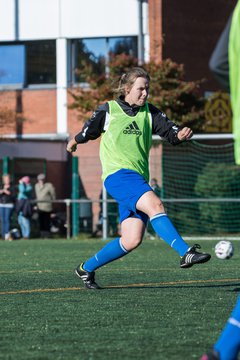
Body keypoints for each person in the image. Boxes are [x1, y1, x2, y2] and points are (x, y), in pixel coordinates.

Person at [67, 67, 211, 289]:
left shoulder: (150, 112)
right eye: (141, 89)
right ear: (126, 89)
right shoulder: (109, 110)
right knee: (156, 204)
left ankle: (85, 269)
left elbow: (170, 132)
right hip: (118, 176)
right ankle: (185, 252)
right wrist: (74, 140)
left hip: (138, 179)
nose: (145, 93)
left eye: (147, 89)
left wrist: (180, 134)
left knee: (131, 240)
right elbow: (89, 131)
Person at [35, 173, 56, 238]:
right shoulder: (36, 186)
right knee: (41, 222)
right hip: (40, 207)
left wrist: (53, 201)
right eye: (39, 179)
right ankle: (42, 235)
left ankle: (47, 235)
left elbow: (53, 195)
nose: (41, 181)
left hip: (47, 207)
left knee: (47, 221)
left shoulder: (49, 186)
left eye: (42, 179)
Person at [0, 174, 16, 240]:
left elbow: (14, 196)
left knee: (7, 219)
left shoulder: (12, 187)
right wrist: (2, 191)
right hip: (1, 205)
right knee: (2, 220)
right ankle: (3, 235)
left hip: (9, 205)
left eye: (8, 179)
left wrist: (7, 191)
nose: (7, 180)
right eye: (5, 179)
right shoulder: (1, 186)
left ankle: (7, 234)